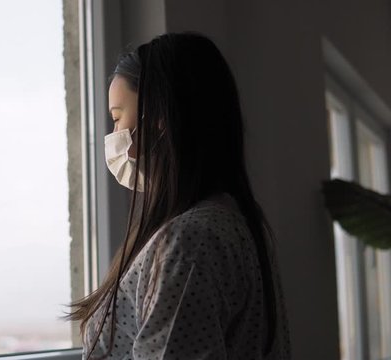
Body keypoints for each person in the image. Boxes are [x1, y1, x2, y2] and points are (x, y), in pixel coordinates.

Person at [63, 32, 292, 359]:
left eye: (117, 118)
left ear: (158, 119)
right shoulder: (234, 221)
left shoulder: (189, 241)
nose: (113, 136)